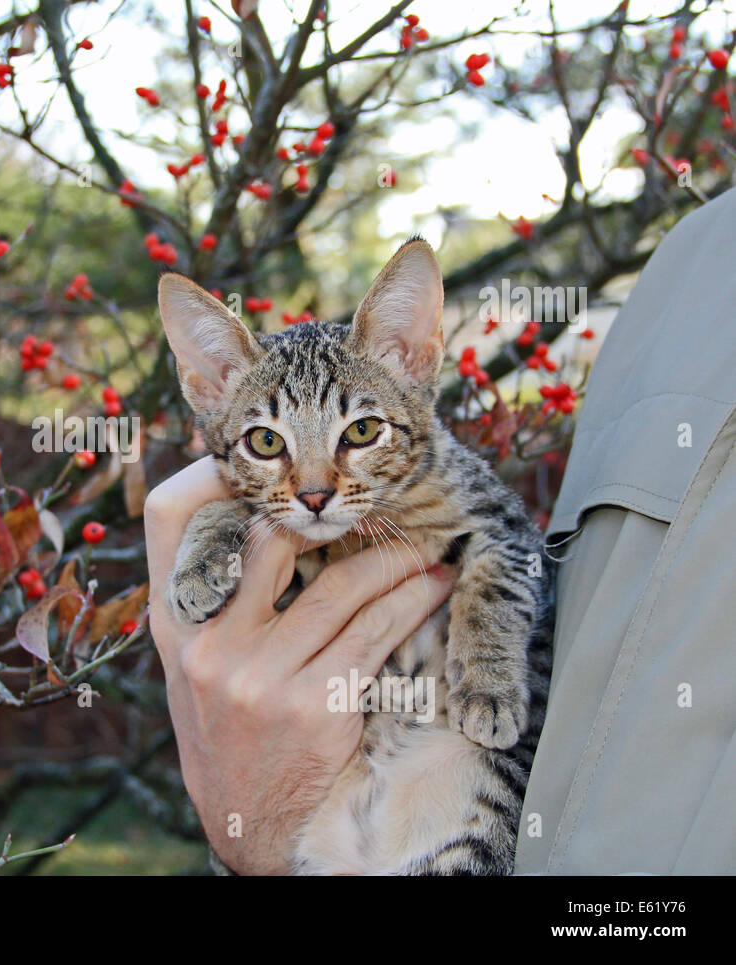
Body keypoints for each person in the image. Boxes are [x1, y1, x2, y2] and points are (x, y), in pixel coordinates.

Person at [145, 186, 736, 875]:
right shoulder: (693, 260)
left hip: (451, 786)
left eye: (358, 431)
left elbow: (509, 546)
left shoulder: (442, 486)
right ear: (209, 386)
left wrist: (486, 645)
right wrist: (217, 528)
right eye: (266, 442)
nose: (314, 486)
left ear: (415, 359)